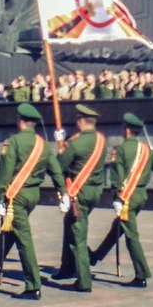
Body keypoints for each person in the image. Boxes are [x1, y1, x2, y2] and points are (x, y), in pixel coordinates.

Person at [0, 104, 67, 299]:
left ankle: (33, 286)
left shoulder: (14, 142)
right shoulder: (43, 144)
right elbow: (55, 169)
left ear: (21, 121)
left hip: (16, 195)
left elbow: (5, 171)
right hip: (33, 194)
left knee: (23, 240)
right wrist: (63, 192)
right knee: (10, 233)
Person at [86, 113, 153, 288]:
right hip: (141, 196)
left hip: (127, 198)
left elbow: (117, 176)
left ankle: (141, 274)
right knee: (118, 227)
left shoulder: (120, 150)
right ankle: (96, 256)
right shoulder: (146, 151)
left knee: (131, 236)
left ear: (127, 130)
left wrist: (117, 197)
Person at [52, 104, 108, 292]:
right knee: (70, 226)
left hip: (79, 193)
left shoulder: (75, 143)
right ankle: (67, 268)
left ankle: (83, 281)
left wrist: (61, 147)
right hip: (95, 191)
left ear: (81, 121)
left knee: (78, 236)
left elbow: (59, 166)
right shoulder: (101, 140)